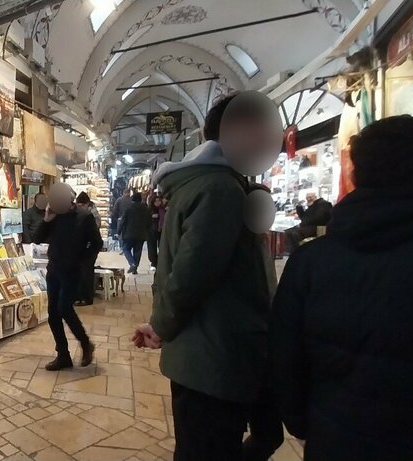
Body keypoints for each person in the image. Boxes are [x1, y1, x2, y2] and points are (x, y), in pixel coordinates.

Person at [272, 115, 413, 461]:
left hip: (338, 437)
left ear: (355, 175)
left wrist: (304, 422)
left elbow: (286, 357)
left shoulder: (312, 262)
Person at [133, 93, 283, 461]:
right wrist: (161, 325)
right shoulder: (220, 189)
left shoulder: (213, 184)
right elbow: (190, 274)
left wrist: (161, 323)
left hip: (215, 352)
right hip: (213, 358)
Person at [32, 184, 100, 371]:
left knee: (64, 308)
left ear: (71, 198)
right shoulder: (54, 215)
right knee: (53, 313)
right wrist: (46, 220)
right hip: (54, 270)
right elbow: (36, 238)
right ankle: (63, 355)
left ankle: (85, 343)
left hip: (72, 271)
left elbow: (96, 243)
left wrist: (83, 263)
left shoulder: (84, 216)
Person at [73, 192, 101, 306]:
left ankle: (86, 298)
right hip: (85, 248)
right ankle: (81, 296)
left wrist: (90, 248)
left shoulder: (90, 214)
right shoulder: (86, 213)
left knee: (86, 273)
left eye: (80, 205)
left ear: (85, 204)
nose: (78, 207)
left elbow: (94, 234)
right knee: (83, 272)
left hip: (89, 248)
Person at [118, 192, 152, 274]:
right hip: (141, 234)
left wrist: (119, 230)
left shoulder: (128, 208)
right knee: (138, 251)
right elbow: (149, 222)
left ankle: (132, 263)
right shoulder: (146, 209)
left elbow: (123, 220)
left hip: (128, 233)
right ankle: (135, 269)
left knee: (126, 248)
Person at [146, 195, 166, 272]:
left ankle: (160, 261)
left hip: (161, 231)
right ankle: (154, 262)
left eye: (159, 201)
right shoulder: (149, 210)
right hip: (151, 232)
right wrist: (151, 217)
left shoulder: (163, 209)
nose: (158, 202)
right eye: (156, 201)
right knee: (152, 248)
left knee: (162, 246)